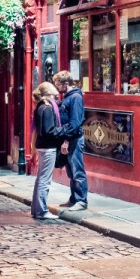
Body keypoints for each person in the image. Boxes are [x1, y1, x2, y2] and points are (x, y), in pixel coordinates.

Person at [53, 71, 88, 211]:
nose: (56, 88)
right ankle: (74, 198)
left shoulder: (75, 98)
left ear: (66, 84)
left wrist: (66, 140)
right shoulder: (67, 97)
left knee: (78, 171)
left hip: (74, 139)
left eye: (57, 85)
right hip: (68, 139)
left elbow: (75, 122)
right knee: (71, 172)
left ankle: (81, 200)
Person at [31, 82, 66, 220]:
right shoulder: (46, 108)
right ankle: (41, 211)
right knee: (44, 180)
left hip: (43, 146)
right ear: (49, 92)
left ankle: (36, 209)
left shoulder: (41, 106)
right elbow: (49, 130)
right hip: (48, 147)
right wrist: (65, 129)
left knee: (41, 179)